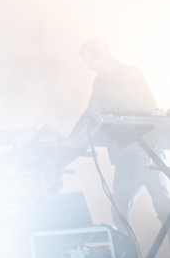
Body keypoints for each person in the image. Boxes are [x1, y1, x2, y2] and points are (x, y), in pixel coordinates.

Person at [70, 38, 170, 236]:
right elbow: (90, 113)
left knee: (164, 209)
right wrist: (72, 139)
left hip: (147, 152)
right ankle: (128, 254)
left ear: (102, 54)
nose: (89, 67)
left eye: (90, 61)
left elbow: (148, 109)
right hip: (124, 158)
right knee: (119, 211)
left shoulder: (130, 73)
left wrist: (114, 114)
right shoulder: (99, 82)